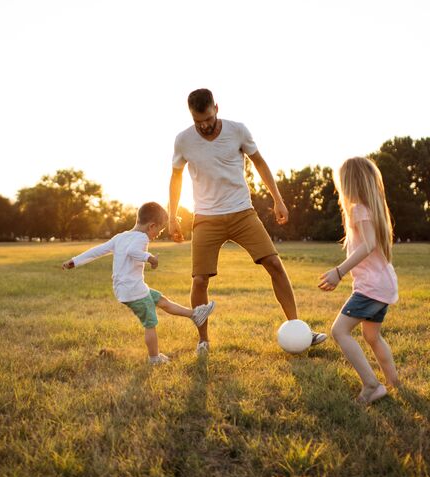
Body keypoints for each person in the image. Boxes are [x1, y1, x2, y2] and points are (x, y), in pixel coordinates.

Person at [168, 88, 326, 355]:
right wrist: (172, 216)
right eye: (198, 122)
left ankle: (298, 329)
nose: (204, 126)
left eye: (207, 118)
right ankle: (203, 340)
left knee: (275, 264)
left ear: (216, 108)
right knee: (199, 280)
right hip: (206, 217)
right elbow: (176, 177)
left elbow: (260, 163)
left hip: (242, 212)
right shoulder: (183, 140)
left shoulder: (238, 130)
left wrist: (278, 198)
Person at [62, 202, 215, 365]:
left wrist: (74, 261)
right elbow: (133, 252)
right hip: (134, 290)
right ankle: (154, 358)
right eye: (160, 230)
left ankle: (195, 315)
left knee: (161, 300)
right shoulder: (142, 238)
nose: (158, 234)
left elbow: (97, 250)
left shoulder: (120, 237)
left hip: (127, 289)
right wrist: (150, 258)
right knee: (150, 323)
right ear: (152, 226)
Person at [318, 157, 399, 404]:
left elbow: (368, 245)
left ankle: (372, 386)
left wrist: (339, 272)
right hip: (383, 285)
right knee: (372, 337)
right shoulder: (371, 209)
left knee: (339, 331)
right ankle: (395, 383)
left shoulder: (359, 209)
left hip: (372, 288)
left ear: (349, 183)